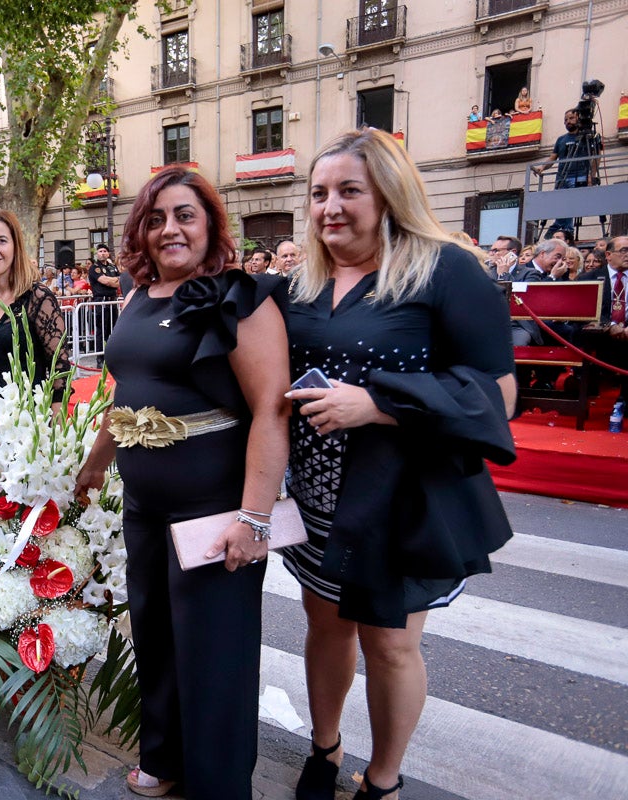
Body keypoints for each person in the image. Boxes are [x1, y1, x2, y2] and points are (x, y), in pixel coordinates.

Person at [283, 129, 516, 800]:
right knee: (325, 629)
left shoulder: (446, 269)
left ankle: (382, 781)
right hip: (318, 503)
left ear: (389, 192)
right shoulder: (303, 284)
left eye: (349, 190)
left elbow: (498, 396)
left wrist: (378, 406)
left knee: (389, 646)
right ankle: (323, 750)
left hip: (401, 503)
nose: (331, 207)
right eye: (320, 193)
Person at [74, 166, 289, 800]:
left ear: (211, 225)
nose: (171, 229)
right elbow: (128, 395)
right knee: (157, 635)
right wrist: (95, 464)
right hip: (144, 502)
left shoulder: (241, 297)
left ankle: (219, 786)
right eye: (157, 218)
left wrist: (253, 518)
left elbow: (271, 411)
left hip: (214, 507)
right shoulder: (139, 297)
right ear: (142, 230)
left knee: (215, 656)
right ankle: (165, 758)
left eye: (185, 216)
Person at [0, 209, 71, 407]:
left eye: (1, 241)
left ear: (15, 246)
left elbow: (59, 369)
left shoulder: (38, 298)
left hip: (30, 420)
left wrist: (57, 422)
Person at [532, 108, 601, 239]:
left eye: (571, 118)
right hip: (562, 178)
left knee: (569, 205)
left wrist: (592, 175)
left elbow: (596, 157)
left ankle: (563, 230)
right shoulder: (561, 140)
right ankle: (561, 230)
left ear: (578, 119)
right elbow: (553, 158)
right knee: (560, 206)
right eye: (565, 120)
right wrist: (542, 168)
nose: (568, 122)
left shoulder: (588, 137)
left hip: (580, 175)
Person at [575, 235, 628, 403]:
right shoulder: (588, 279)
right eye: (624, 250)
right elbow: (583, 312)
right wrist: (610, 326)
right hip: (599, 334)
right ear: (608, 255)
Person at [89, 243, 121, 366]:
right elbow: (104, 281)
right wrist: (113, 280)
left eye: (104, 251)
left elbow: (119, 282)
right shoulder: (94, 267)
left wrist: (112, 280)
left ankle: (111, 357)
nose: (102, 253)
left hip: (112, 300)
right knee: (101, 331)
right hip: (101, 301)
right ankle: (100, 359)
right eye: (100, 251)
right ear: (97, 254)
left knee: (113, 330)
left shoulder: (113, 267)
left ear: (108, 253)